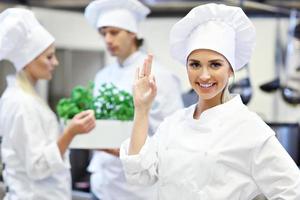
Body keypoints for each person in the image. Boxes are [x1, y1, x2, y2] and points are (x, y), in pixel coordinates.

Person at [120, 3, 300, 200]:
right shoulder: (173, 124)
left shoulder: (248, 127)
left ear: (230, 69)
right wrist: (142, 109)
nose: (204, 75)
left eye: (215, 65)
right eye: (195, 64)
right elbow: (139, 176)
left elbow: (292, 191)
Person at [84, 0, 183, 199]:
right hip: (102, 184)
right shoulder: (102, 75)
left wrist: (127, 150)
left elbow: (173, 137)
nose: (108, 39)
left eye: (114, 32)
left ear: (132, 33)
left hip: (136, 190)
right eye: (103, 33)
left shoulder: (159, 76)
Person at [0, 8, 96, 200]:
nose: (56, 62)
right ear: (28, 61)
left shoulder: (27, 97)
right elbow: (38, 167)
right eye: (49, 57)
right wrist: (70, 132)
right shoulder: (21, 103)